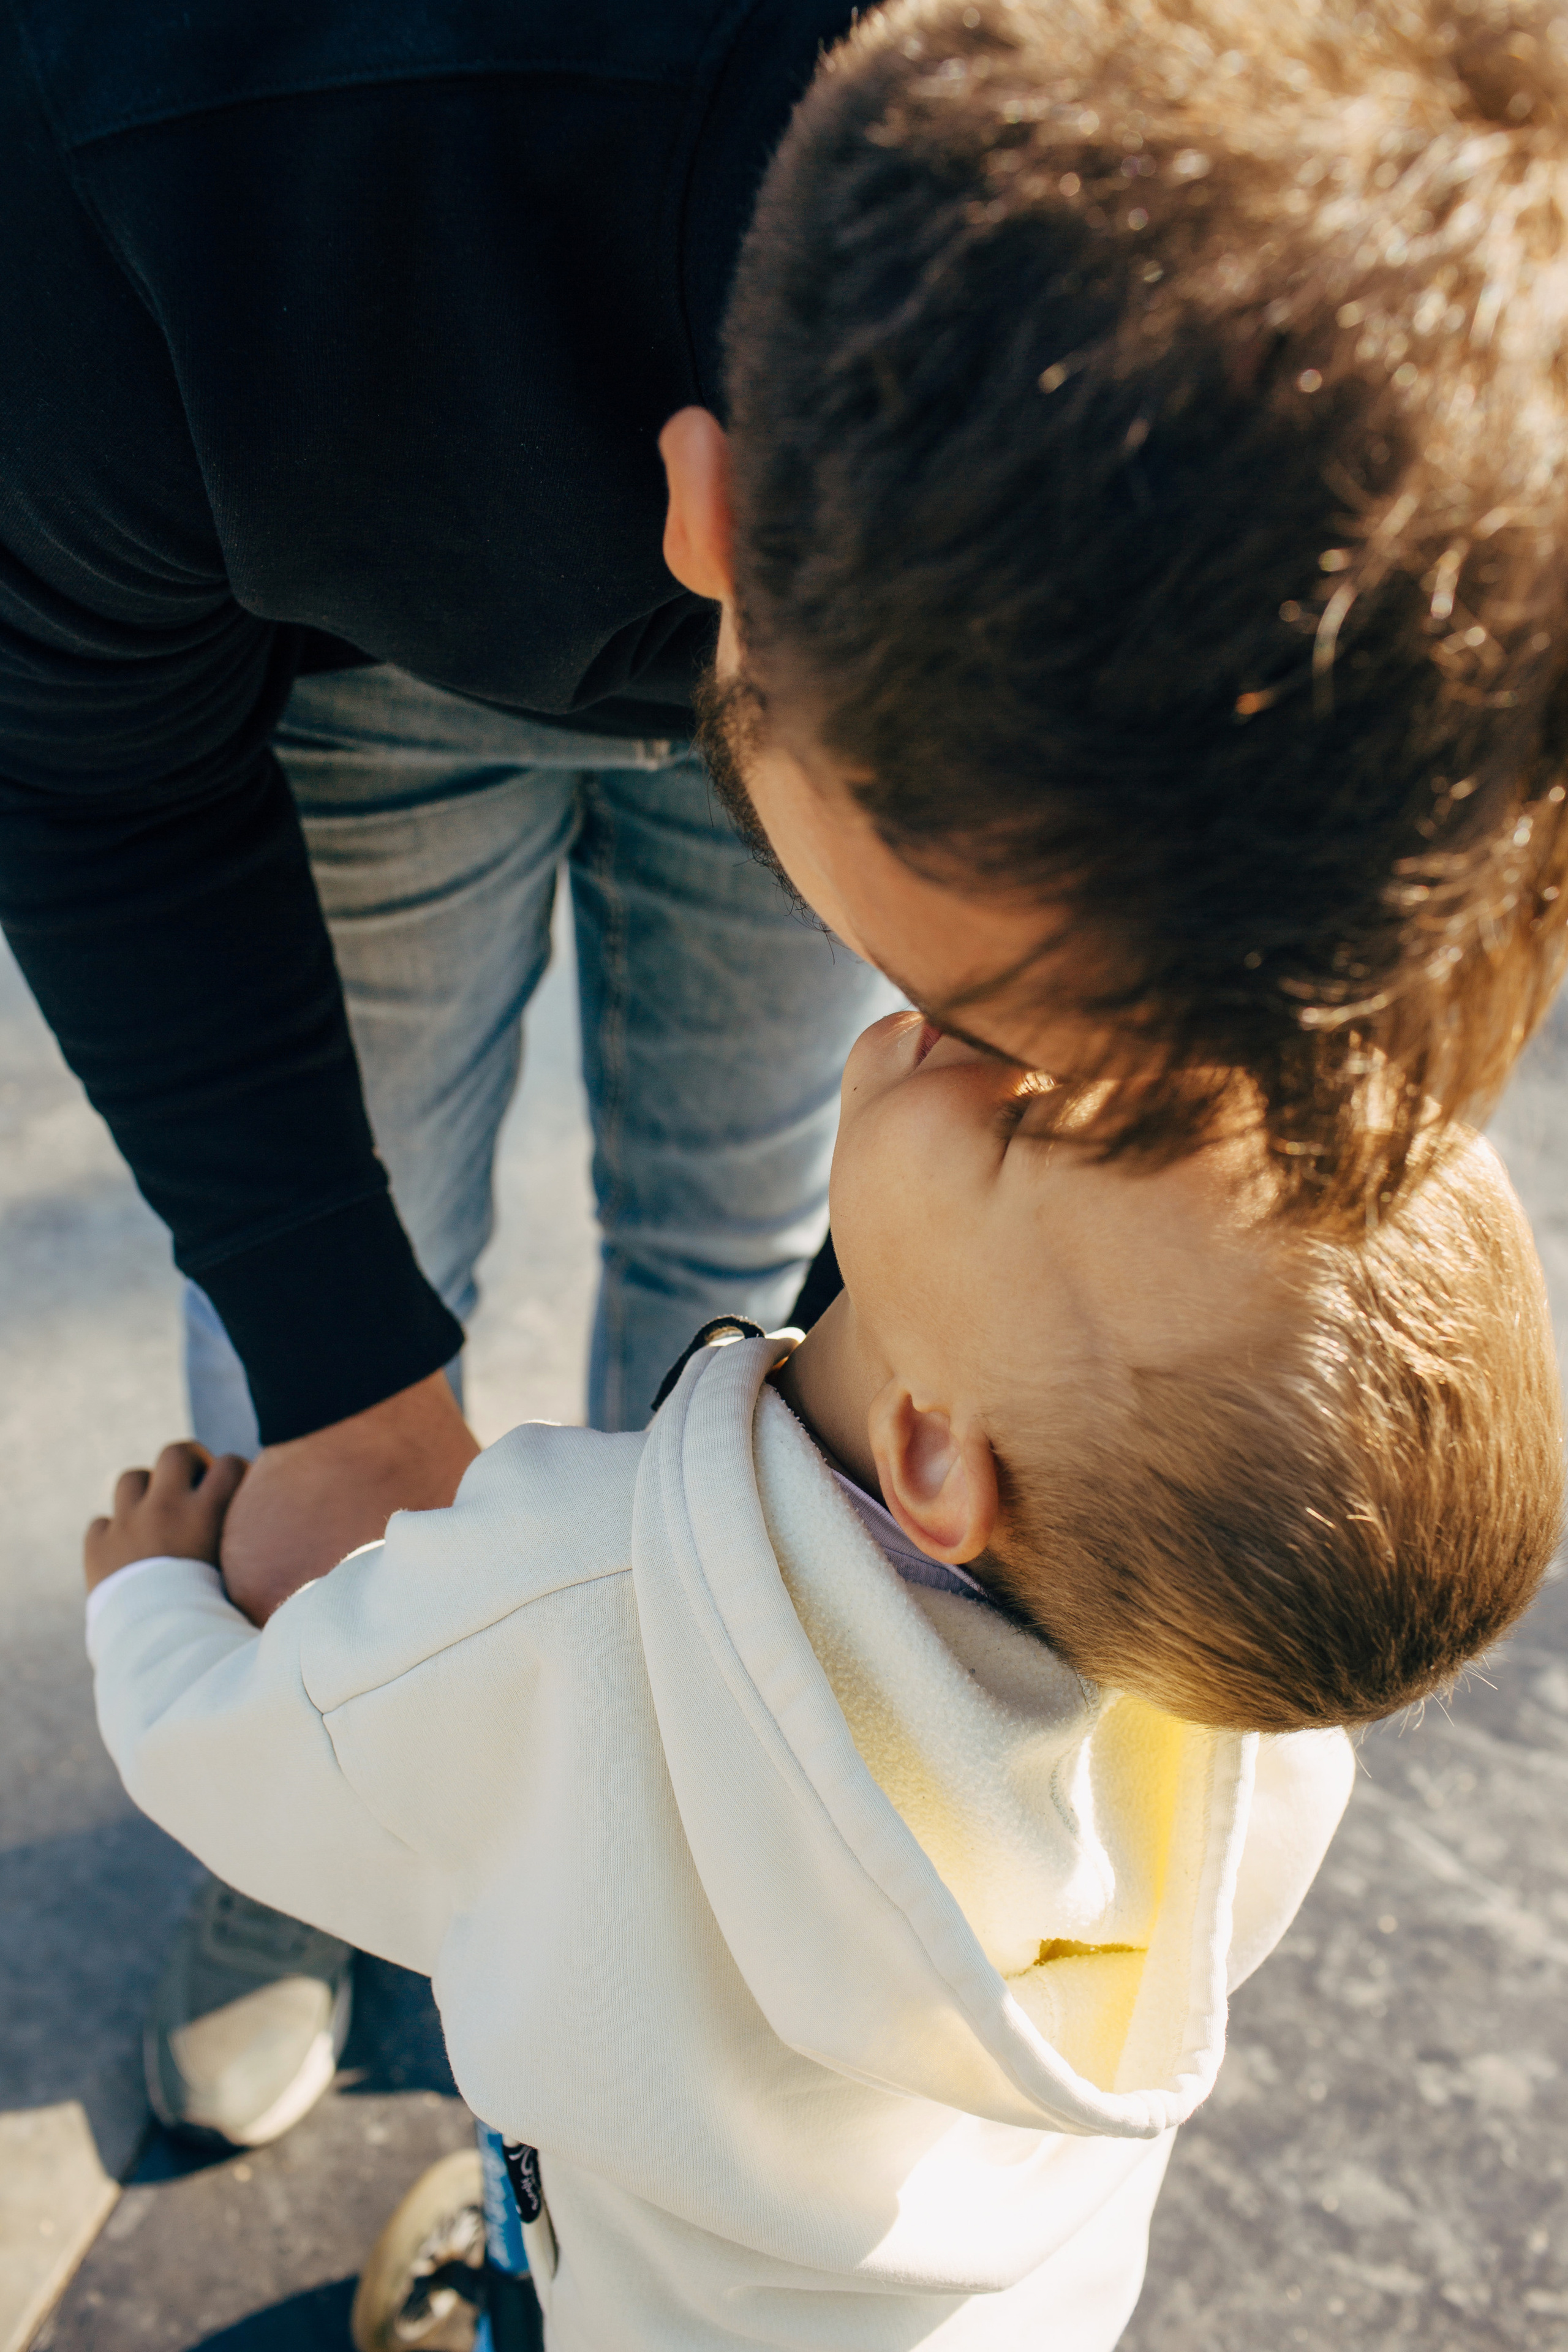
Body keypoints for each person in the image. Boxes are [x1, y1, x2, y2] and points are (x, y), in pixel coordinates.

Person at [9, 0, 1568, 2143]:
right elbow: (83, 776)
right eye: (994, 1021)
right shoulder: (148, 162)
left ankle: (687, 1784)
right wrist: (341, 1400)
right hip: (311, 621)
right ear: (714, 527)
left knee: (745, 1189)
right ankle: (315, 1841)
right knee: (340, 1262)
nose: (1013, 1079)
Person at [81, 1006, 1561, 2349]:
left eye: (1038, 1120)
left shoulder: (570, 1592)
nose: (1038, 1016)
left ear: (931, 1451)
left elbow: (253, 1759)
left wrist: (151, 1600)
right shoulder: (1245, 1730)